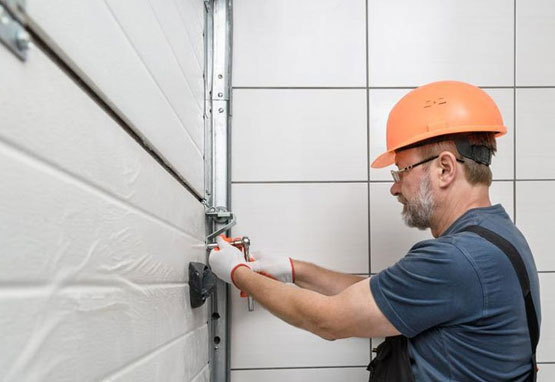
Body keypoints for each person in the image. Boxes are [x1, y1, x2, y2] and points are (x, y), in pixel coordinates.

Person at [209, 80, 541, 381]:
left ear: (444, 168)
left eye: (402, 172)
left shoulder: (457, 259)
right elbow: (385, 294)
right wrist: (294, 270)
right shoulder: (497, 236)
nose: (395, 189)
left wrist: (238, 273)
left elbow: (328, 320)